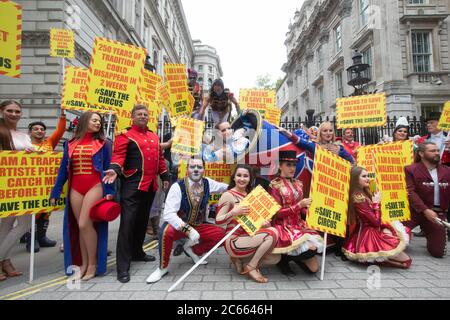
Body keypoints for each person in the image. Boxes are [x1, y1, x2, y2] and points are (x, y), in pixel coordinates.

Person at [103, 105, 170, 284]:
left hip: (150, 186)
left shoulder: (154, 137)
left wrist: (164, 176)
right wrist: (114, 170)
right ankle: (122, 266)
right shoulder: (124, 135)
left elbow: (160, 159)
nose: (143, 116)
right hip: (132, 185)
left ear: (149, 117)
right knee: (127, 225)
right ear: (132, 117)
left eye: (145, 114)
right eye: (139, 114)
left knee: (141, 222)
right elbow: (118, 156)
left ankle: (137, 253)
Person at [50, 111, 114, 281]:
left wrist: (110, 192)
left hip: (95, 186)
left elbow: (109, 170)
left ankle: (93, 264)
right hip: (76, 188)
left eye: (100, 121)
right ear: (85, 121)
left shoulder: (104, 144)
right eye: (95, 120)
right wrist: (56, 190)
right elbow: (63, 169)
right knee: (79, 226)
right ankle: (83, 264)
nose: (98, 123)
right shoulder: (70, 144)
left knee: (85, 223)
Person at [145, 157, 228, 284]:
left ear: (204, 170)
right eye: (192, 167)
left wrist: (242, 186)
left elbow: (224, 187)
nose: (196, 170)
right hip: (179, 226)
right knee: (166, 232)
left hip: (198, 225)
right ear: (187, 169)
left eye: (199, 167)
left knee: (222, 235)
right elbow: (168, 214)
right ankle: (163, 268)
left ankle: (193, 250)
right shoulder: (177, 187)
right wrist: (188, 230)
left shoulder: (207, 183)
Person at [216, 165, 279, 283]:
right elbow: (218, 221)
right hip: (234, 240)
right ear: (233, 178)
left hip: (249, 237)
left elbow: (253, 222)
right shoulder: (228, 195)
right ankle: (251, 267)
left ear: (250, 179)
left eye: (246, 176)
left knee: (276, 258)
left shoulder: (251, 196)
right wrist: (234, 212)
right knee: (272, 233)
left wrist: (263, 224)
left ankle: (241, 261)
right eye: (239, 175)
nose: (242, 179)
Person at [342, 167, 411, 268]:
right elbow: (375, 222)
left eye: (368, 176)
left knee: (406, 258)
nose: (368, 179)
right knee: (406, 261)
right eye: (364, 176)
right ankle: (377, 260)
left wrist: (402, 195)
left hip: (377, 229)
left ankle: (379, 260)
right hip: (369, 236)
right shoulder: (358, 198)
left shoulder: (366, 191)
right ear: (356, 179)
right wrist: (376, 204)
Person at [270, 150, 324, 276]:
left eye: (294, 165)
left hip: (299, 225)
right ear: (280, 166)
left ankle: (295, 256)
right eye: (288, 165)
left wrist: (313, 213)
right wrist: (299, 205)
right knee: (310, 249)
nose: (292, 168)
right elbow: (277, 213)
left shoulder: (299, 184)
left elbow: (303, 208)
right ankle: (283, 261)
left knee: (313, 270)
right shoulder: (274, 185)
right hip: (283, 227)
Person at [23, 111, 67, 252]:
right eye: (36, 129)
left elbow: (60, 131)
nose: (39, 131)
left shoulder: (49, 143)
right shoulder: (23, 144)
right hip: (29, 184)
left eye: (42, 129)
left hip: (46, 183)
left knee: (46, 210)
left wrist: (63, 116)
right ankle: (31, 239)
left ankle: (42, 237)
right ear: (30, 132)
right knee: (33, 212)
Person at [0, 100, 34, 280]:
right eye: (10, 110)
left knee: (24, 224)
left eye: (17, 111)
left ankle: (4, 259)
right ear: (2, 111)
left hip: (23, 185)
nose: (14, 114)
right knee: (6, 224)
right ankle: (4, 261)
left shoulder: (24, 135)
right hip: (6, 184)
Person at [403, 142, 450, 258]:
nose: (436, 153)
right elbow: (411, 192)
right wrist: (425, 210)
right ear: (421, 153)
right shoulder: (410, 169)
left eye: (437, 150)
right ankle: (406, 237)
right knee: (395, 240)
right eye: (432, 151)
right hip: (413, 212)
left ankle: (433, 235)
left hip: (437, 214)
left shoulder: (447, 170)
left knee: (437, 252)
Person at [280, 122, 355, 164]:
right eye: (325, 131)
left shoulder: (339, 147)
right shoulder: (315, 146)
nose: (328, 133)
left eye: (330, 130)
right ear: (320, 133)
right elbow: (300, 142)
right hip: (319, 185)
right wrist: (287, 133)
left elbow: (352, 162)